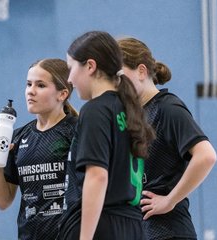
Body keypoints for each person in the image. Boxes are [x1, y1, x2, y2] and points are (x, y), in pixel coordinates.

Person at [58, 31, 155, 240]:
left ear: (90, 66)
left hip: (102, 225)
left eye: (71, 68)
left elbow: (97, 176)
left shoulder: (95, 110)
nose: (69, 79)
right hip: (132, 226)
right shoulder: (128, 109)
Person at [118, 37, 217, 240]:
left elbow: (206, 156)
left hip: (169, 232)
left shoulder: (168, 108)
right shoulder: (132, 115)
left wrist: (170, 200)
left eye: (119, 76)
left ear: (141, 71)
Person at [0, 58, 78, 240]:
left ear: (62, 94)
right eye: (28, 84)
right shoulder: (17, 137)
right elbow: (3, 202)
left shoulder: (78, 131)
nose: (30, 91)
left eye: (40, 85)